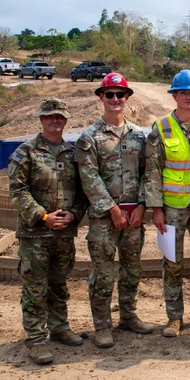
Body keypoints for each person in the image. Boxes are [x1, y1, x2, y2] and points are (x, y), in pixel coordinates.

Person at [8, 98, 89, 365]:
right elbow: (17, 191)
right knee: (35, 287)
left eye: (60, 117)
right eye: (50, 116)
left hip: (63, 234)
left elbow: (82, 193)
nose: (55, 121)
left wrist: (74, 215)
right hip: (35, 235)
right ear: (41, 120)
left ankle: (59, 327)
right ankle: (35, 338)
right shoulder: (26, 152)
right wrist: (42, 217)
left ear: (66, 120)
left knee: (59, 284)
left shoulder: (72, 153)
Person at [75, 73, 154, 348]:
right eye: (110, 94)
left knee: (132, 269)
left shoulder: (138, 136)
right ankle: (102, 326)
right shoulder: (90, 137)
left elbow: (148, 174)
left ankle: (128, 316)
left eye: (120, 94)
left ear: (127, 97)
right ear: (101, 97)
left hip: (134, 218)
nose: (115, 99)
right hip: (104, 220)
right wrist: (112, 210)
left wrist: (143, 206)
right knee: (103, 273)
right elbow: (89, 178)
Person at [144, 68, 190, 338]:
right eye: (183, 92)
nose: (188, 97)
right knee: (172, 263)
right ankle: (174, 318)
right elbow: (152, 170)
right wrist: (156, 209)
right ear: (174, 95)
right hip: (172, 208)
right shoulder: (161, 127)